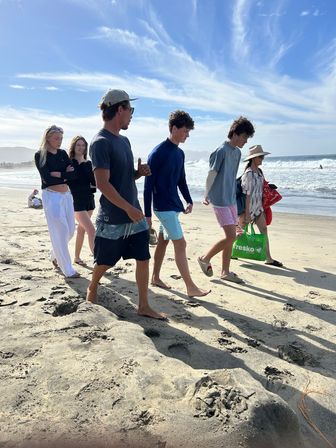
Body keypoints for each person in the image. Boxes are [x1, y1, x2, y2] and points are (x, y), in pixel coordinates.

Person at [87, 88, 165, 320]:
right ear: (120, 109)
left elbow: (120, 177)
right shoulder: (100, 142)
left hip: (134, 211)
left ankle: (143, 305)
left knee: (143, 256)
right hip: (114, 215)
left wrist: (137, 173)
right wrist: (128, 208)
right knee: (105, 261)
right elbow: (102, 184)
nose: (132, 114)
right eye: (130, 109)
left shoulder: (125, 140)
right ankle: (93, 286)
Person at [144, 110, 210, 298]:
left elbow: (181, 179)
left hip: (174, 205)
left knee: (163, 242)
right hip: (163, 207)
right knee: (180, 244)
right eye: (185, 131)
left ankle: (155, 277)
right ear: (174, 128)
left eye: (189, 132)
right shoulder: (157, 153)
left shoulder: (179, 154)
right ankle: (190, 286)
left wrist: (188, 199)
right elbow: (148, 187)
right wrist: (147, 216)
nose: (187, 135)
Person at [198, 116, 255, 284]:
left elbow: (231, 176)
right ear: (235, 133)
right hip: (219, 200)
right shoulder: (220, 151)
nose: (245, 141)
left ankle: (225, 271)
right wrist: (206, 193)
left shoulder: (237, 153)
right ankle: (205, 258)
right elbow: (212, 174)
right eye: (244, 137)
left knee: (232, 236)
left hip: (230, 200)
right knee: (232, 236)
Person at [34, 125, 79, 278]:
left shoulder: (63, 153)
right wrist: (65, 174)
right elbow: (47, 177)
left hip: (66, 196)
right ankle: (68, 269)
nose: (59, 141)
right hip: (51, 197)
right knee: (60, 231)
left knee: (71, 230)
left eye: (61, 138)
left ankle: (54, 255)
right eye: (56, 138)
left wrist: (58, 173)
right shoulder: (40, 155)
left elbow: (74, 175)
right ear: (48, 138)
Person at [239, 145, 283, 267]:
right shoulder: (248, 174)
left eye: (263, 157)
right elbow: (247, 194)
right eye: (260, 157)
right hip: (247, 209)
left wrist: (270, 187)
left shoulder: (259, 172)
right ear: (253, 158)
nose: (262, 159)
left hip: (258, 208)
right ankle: (231, 252)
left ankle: (268, 258)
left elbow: (261, 189)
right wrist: (247, 213)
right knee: (238, 232)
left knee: (264, 230)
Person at [68, 136, 96, 265]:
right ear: (74, 147)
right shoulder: (68, 163)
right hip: (76, 201)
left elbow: (93, 183)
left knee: (82, 229)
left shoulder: (89, 164)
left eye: (83, 145)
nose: (81, 148)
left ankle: (77, 257)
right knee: (91, 230)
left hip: (89, 200)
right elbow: (65, 181)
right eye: (78, 145)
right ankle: (98, 260)